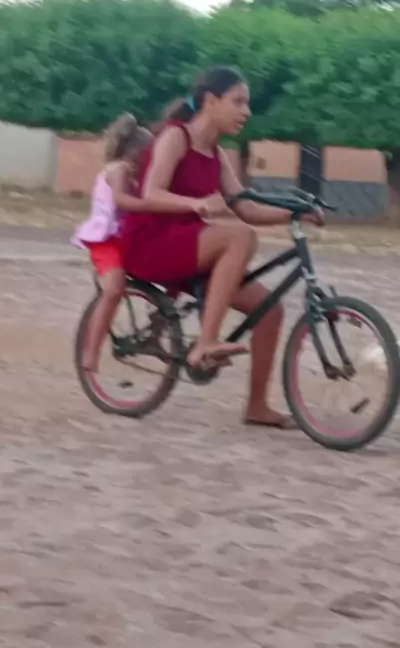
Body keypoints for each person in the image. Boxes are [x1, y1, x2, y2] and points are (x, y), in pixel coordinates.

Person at [123, 66, 321, 428]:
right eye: (238, 101)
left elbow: (245, 208)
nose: (247, 111)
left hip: (188, 245)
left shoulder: (216, 153)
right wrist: (196, 204)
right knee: (239, 236)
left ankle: (257, 406)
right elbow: (151, 194)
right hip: (151, 243)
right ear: (211, 101)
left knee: (270, 311)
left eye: (247, 103)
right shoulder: (176, 137)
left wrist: (294, 213)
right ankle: (206, 342)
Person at [71, 113, 152, 373]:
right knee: (114, 290)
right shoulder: (120, 169)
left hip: (122, 237)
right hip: (106, 240)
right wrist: (150, 204)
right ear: (136, 152)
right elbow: (120, 200)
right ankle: (91, 351)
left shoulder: (128, 172)